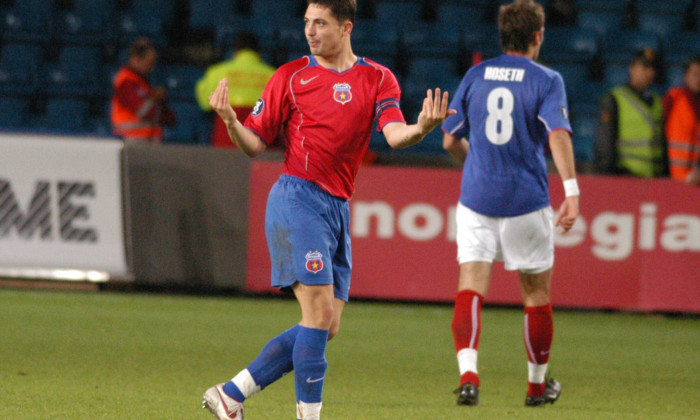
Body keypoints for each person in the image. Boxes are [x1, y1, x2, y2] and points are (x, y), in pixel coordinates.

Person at [201, 1, 454, 419]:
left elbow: (394, 135)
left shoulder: (377, 78)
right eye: (306, 23)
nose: (310, 31)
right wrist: (231, 122)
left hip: (336, 208)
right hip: (297, 198)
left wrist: (422, 129)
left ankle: (230, 394)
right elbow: (255, 145)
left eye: (320, 23)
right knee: (317, 313)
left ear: (346, 26)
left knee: (325, 326)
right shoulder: (290, 77)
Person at [441, 0, 578, 407]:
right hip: (526, 201)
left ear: (503, 36)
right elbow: (557, 134)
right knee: (535, 293)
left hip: (477, 199)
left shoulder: (476, 74)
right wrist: (572, 191)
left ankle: (469, 377)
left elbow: (449, 138)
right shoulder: (547, 79)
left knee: (470, 286)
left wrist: (474, 165)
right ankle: (537, 388)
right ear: (537, 37)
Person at [195, 32, 277, 148]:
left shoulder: (216, 72)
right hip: (261, 141)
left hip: (226, 138)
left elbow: (204, 103)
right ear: (258, 53)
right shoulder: (274, 75)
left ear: (235, 52)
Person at [594, 49, 668, 177]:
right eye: (645, 67)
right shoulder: (614, 99)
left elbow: (661, 142)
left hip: (653, 178)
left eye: (653, 68)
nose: (650, 72)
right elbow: (605, 142)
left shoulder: (657, 101)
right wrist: (607, 175)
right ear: (632, 69)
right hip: (625, 176)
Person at [110, 38, 175, 145]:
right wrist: (155, 97)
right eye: (149, 63)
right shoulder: (125, 81)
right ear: (136, 59)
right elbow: (142, 111)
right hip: (131, 141)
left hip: (147, 141)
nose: (152, 68)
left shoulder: (141, 82)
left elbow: (168, 118)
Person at [663, 54, 700, 185]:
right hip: (671, 180)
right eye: (695, 74)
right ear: (686, 76)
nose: (698, 79)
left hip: (695, 182)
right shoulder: (674, 98)